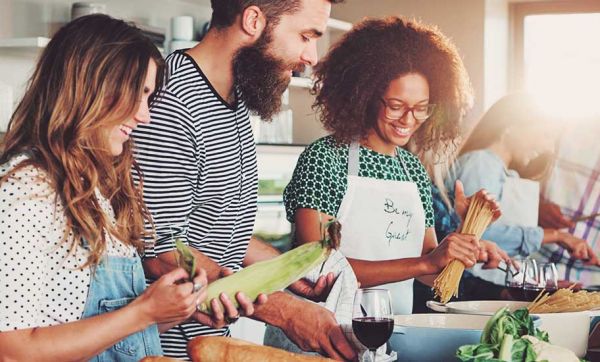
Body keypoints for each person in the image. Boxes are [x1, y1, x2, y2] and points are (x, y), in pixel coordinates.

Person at [132, 0, 356, 360]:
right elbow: (159, 251)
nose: (311, 56)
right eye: (305, 35)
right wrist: (286, 311)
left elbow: (215, 224)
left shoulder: (232, 99)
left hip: (208, 344)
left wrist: (285, 270)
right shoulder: (172, 101)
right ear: (253, 20)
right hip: (161, 351)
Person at [0, 15, 208, 361]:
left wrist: (173, 308)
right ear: (90, 87)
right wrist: (142, 311)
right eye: (137, 94)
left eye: (148, 97)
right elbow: (12, 349)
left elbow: (106, 333)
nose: (146, 116)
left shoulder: (94, 189)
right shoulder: (28, 189)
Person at [283, 16, 508, 317]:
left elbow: (428, 273)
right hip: (317, 337)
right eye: (396, 106)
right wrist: (426, 263)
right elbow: (315, 269)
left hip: (388, 332)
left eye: (420, 108)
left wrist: (465, 244)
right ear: (364, 96)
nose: (408, 120)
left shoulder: (412, 169)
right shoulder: (325, 159)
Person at [445, 92, 598, 286]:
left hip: (493, 290)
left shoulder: (505, 173)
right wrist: (557, 235)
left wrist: (539, 285)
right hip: (472, 292)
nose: (548, 147)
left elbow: (505, 252)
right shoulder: (480, 163)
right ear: (510, 126)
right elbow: (476, 237)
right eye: (545, 135)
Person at [536, 118, 600, 285]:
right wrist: (534, 206)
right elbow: (510, 174)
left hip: (592, 286)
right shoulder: (566, 124)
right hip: (532, 272)